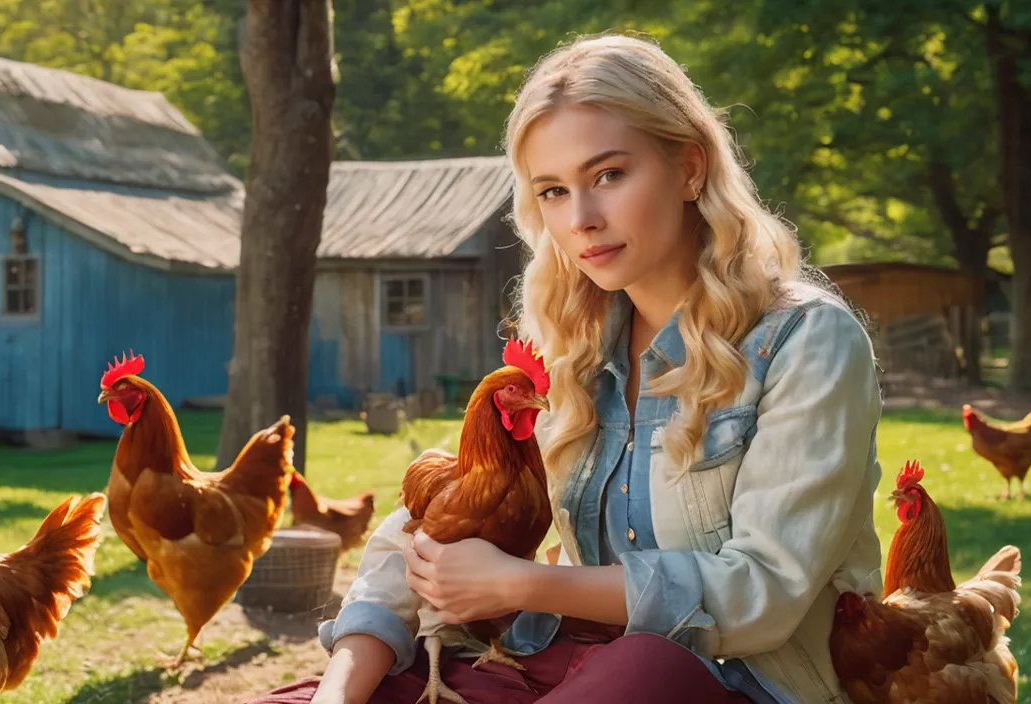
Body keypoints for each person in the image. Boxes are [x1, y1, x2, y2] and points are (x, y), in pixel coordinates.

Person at [247, 31, 883, 704]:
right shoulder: (570, 347)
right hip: (561, 661)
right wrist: (338, 691)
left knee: (643, 667)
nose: (580, 218)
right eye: (552, 190)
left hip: (727, 683)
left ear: (690, 168)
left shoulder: (805, 341)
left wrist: (525, 584)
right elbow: (422, 537)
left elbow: (763, 593)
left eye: (609, 175)